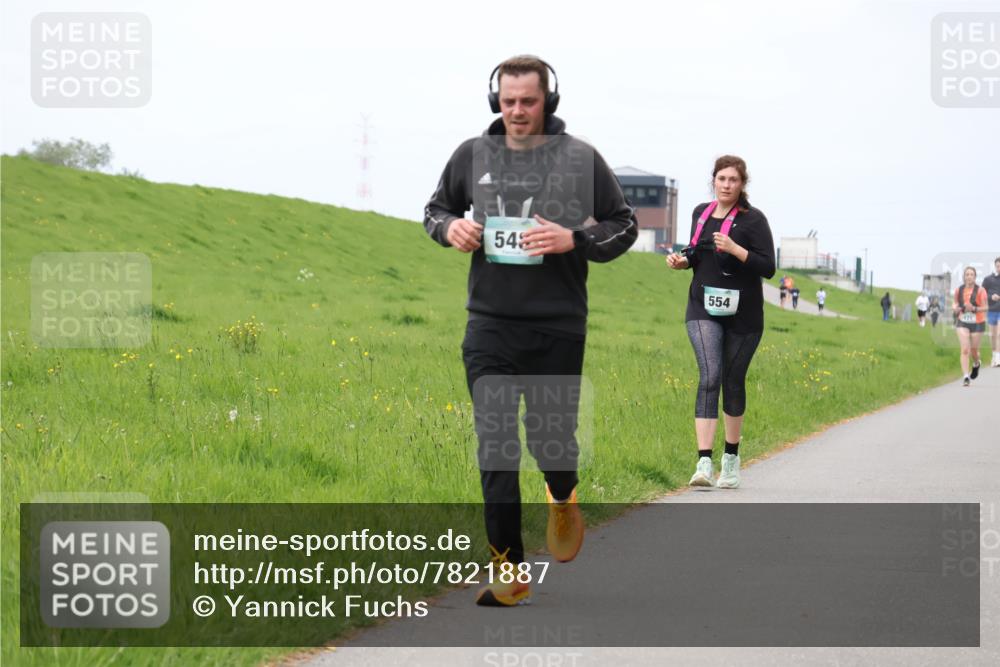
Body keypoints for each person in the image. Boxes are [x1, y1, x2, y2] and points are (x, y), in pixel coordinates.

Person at [423, 55, 637, 606]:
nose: (517, 111)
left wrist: (576, 240)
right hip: (489, 323)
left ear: (549, 102)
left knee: (550, 443)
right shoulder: (472, 155)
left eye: (528, 101)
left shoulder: (580, 158)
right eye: (508, 100)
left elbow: (625, 225)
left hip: (557, 327)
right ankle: (508, 568)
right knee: (496, 444)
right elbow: (435, 209)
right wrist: (452, 229)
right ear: (496, 100)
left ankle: (562, 495)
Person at [666, 155, 775, 489]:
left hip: (744, 312)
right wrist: (682, 261)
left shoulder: (754, 220)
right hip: (703, 306)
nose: (726, 185)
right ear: (713, 180)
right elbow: (697, 252)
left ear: (743, 185)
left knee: (732, 380)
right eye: (721, 178)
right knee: (710, 375)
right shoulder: (701, 213)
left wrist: (735, 249)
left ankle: (730, 459)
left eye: (733, 180)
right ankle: (703, 463)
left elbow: (767, 267)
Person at [952, 266, 988, 386]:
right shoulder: (959, 290)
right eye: (967, 274)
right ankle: (966, 376)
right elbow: (955, 303)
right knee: (965, 349)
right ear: (964, 277)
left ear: (975, 277)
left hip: (978, 322)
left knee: (974, 350)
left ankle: (976, 363)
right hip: (963, 321)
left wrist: (975, 308)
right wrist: (955, 308)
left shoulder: (981, 290)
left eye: (971, 274)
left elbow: (986, 307)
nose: (969, 276)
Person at [984, 257, 1000, 367]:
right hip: (991, 310)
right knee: (992, 335)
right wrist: (991, 296)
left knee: (999, 333)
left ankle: (998, 358)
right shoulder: (988, 279)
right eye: (998, 266)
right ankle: (994, 356)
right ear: (995, 266)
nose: (999, 268)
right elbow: (982, 294)